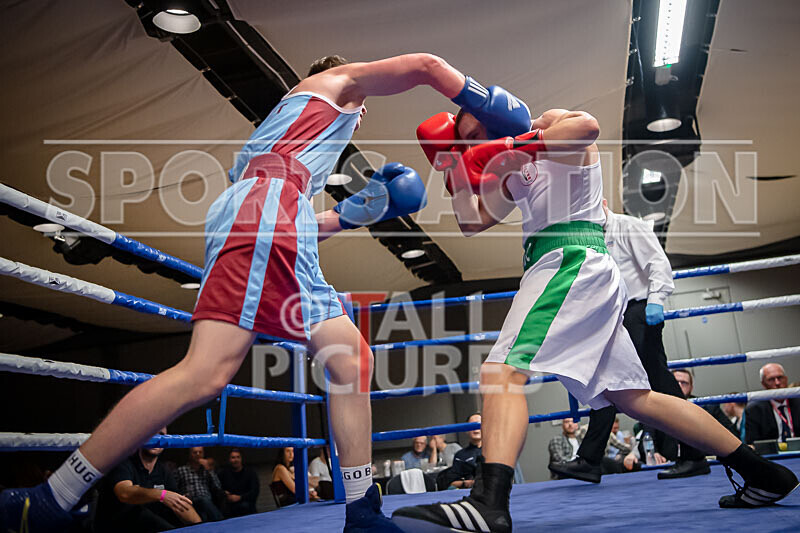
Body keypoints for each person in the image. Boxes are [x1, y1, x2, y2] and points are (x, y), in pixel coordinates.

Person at [0, 53, 534, 533]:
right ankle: (51, 499)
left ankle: (361, 510)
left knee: (351, 360)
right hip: (265, 216)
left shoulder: (295, 145)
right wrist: (485, 100)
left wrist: (364, 210)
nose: (362, 111)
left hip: (279, 220)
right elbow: (424, 65)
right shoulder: (338, 83)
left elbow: (301, 215)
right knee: (205, 374)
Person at [391, 109, 798, 532]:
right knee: (636, 399)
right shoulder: (505, 172)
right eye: (468, 139)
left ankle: (488, 504)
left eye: (479, 132)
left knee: (500, 373)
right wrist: (451, 165)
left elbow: (588, 127)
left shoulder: (550, 128)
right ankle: (765, 474)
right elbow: (472, 220)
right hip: (567, 267)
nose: (478, 142)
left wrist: (508, 144)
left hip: (569, 257)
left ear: (500, 113)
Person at [549, 200, 712, 483]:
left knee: (657, 380)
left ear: (603, 203)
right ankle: (589, 460)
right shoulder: (586, 240)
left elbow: (657, 263)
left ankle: (694, 452)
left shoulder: (628, 226)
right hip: (609, 317)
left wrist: (656, 301)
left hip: (640, 311)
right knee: (608, 384)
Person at [94, 428, 201, 532]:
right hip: (115, 527)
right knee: (140, 513)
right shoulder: (124, 462)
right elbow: (124, 493)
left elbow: (179, 503)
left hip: (146, 527)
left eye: (161, 435)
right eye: (152, 433)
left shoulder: (163, 471)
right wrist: (162, 495)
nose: (157, 438)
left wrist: (200, 526)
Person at [745, 363, 799, 443]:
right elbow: (753, 442)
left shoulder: (798, 401)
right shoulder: (754, 409)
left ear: (786, 379)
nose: (777, 383)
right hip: (772, 453)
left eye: (780, 378)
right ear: (763, 384)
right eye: (771, 379)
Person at [174, 447, 223, 522]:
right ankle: (222, 521)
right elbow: (174, 487)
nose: (198, 454)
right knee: (202, 503)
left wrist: (209, 470)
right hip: (190, 500)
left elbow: (218, 486)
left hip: (206, 500)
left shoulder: (206, 470)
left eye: (200, 452)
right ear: (190, 455)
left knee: (203, 507)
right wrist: (182, 495)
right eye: (195, 452)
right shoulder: (181, 470)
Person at [438, 414, 483, 489]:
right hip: (470, 492)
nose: (476, 428)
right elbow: (451, 481)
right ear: (466, 430)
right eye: (472, 425)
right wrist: (467, 483)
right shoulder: (461, 455)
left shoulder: (494, 451)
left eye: (478, 425)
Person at [219, 449, 259, 518]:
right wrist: (225, 493)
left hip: (247, 504)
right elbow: (217, 488)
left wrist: (240, 497)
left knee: (244, 506)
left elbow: (255, 491)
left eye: (238, 457)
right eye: (233, 457)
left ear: (241, 459)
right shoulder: (223, 474)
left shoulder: (250, 473)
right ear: (229, 460)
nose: (236, 460)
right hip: (230, 506)